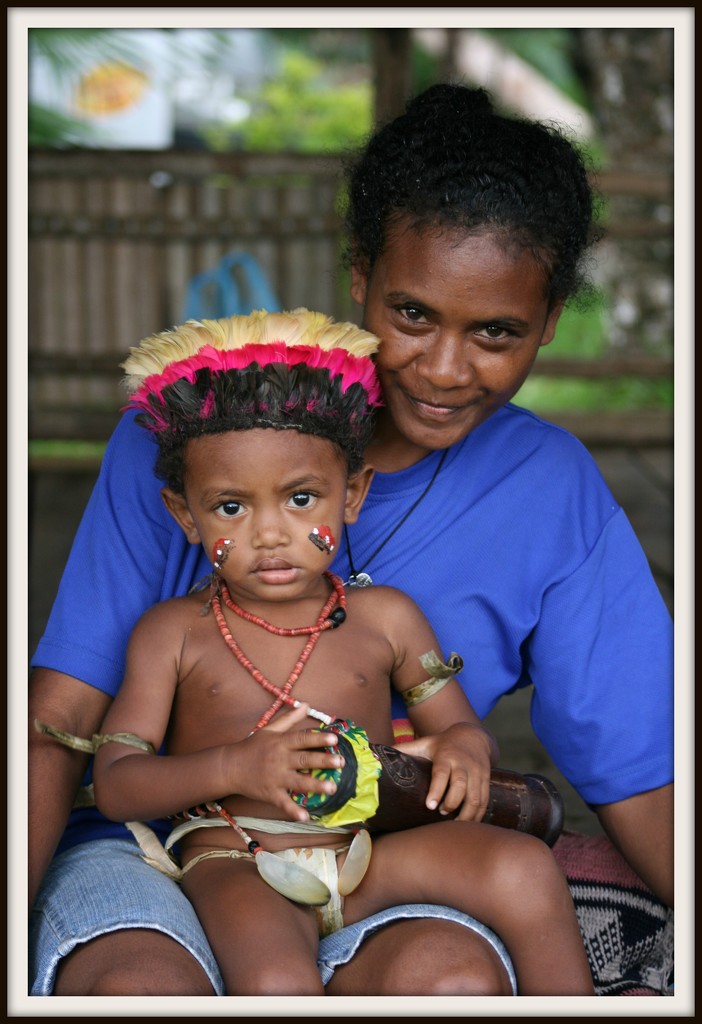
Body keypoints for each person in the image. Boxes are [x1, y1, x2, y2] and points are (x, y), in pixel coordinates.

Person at [29, 83, 673, 998]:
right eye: (412, 314)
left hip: (379, 855)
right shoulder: (193, 435)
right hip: (172, 844)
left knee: (453, 981)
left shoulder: (549, 489)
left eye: (497, 332)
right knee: (143, 984)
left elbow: (644, 770)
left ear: (551, 322)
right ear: (359, 273)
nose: (446, 369)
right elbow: (61, 721)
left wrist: (465, 754)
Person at [40, 309, 589, 996]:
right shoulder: (172, 632)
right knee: (275, 983)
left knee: (526, 871)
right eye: (232, 508)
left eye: (302, 499)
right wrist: (239, 765)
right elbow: (119, 783)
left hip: (370, 854)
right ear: (185, 515)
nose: (271, 532)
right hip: (240, 860)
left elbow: (456, 727)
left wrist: (465, 751)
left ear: (352, 494)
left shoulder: (386, 618)